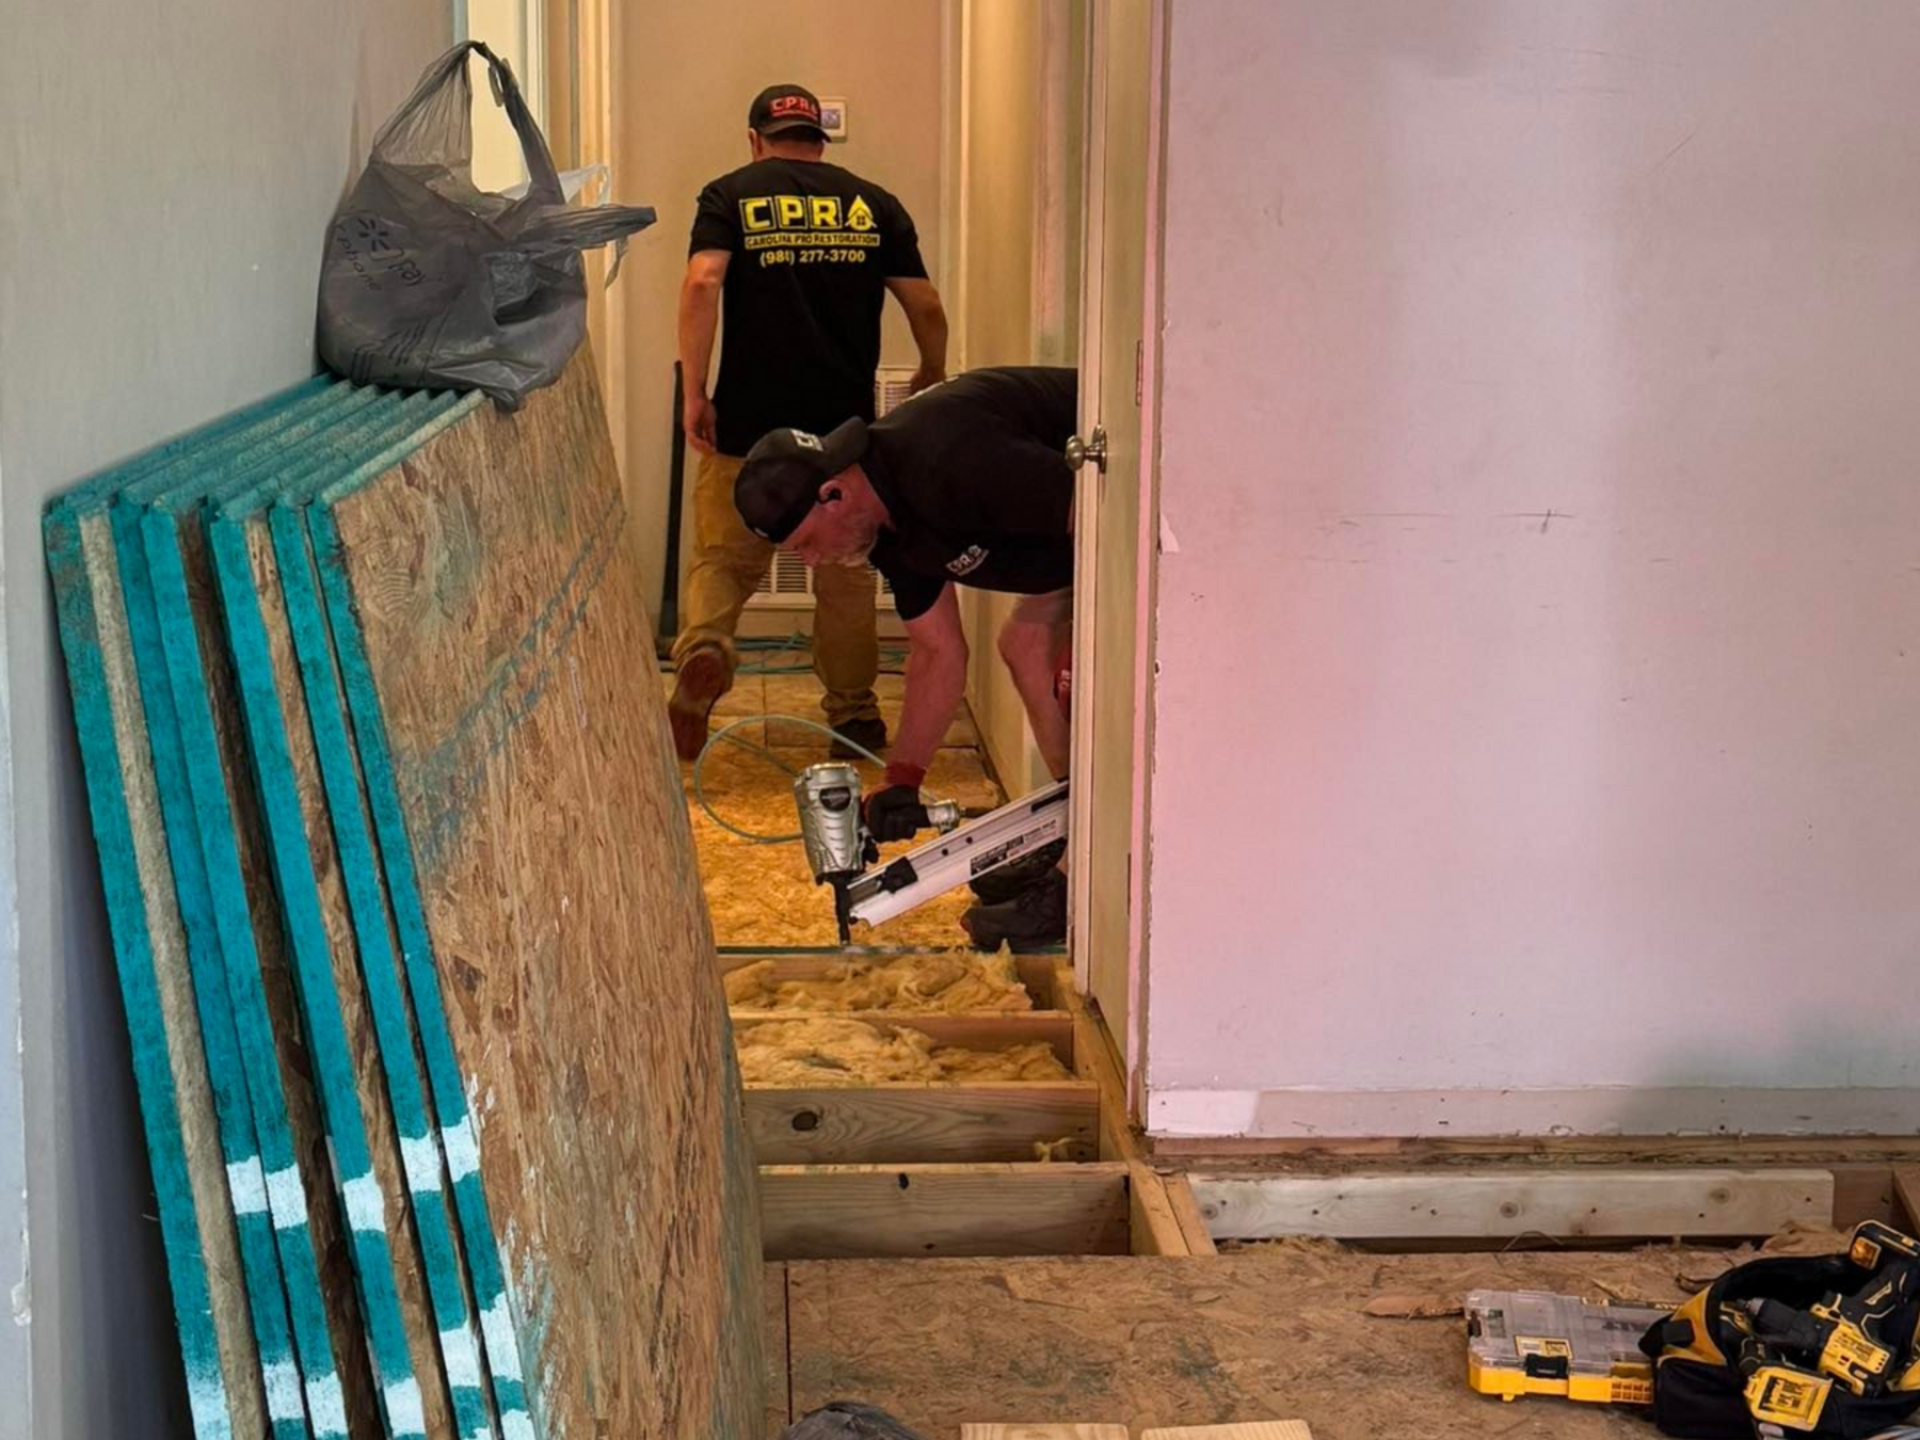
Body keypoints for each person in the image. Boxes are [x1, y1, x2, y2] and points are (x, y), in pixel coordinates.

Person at [732, 367, 1079, 949]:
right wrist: (902, 779)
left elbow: (1101, 508)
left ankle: (1074, 874)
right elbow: (938, 650)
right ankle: (1073, 824)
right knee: (1021, 645)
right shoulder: (888, 533)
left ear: (833, 494)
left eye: (806, 545)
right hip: (1066, 549)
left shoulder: (947, 459)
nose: (812, 563)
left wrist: (1096, 630)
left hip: (1135, 502)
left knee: (1059, 659)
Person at [669, 82, 949, 763]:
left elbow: (704, 281)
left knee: (723, 559)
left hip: (748, 421)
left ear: (755, 138)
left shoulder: (731, 193)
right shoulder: (874, 203)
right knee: (846, 574)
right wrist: (930, 373)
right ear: (822, 138)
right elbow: (926, 304)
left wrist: (694, 391)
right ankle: (853, 718)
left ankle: (706, 649)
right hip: (839, 438)